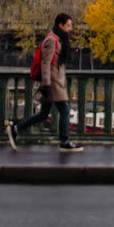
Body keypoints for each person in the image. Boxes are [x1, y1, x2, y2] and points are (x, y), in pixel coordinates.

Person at [6, 13, 83, 152]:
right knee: (65, 111)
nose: (70, 29)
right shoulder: (52, 40)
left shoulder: (58, 39)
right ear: (60, 25)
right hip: (53, 83)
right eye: (68, 25)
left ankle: (15, 129)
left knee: (43, 114)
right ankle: (64, 141)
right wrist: (47, 85)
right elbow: (45, 63)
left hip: (55, 81)